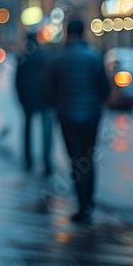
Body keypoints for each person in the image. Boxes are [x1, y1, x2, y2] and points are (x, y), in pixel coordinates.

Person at [42, 19, 110, 223]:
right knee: (88, 158)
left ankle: (83, 204)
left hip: (67, 116)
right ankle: (89, 201)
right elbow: (104, 89)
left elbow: (46, 90)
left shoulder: (58, 59)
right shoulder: (95, 57)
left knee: (75, 159)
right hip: (91, 116)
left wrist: (56, 103)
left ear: (67, 33)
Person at [15, 31, 53, 175]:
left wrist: (21, 99)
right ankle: (46, 161)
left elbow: (17, 82)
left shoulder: (23, 57)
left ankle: (28, 160)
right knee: (46, 132)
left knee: (27, 130)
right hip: (44, 100)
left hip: (29, 100)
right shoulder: (45, 56)